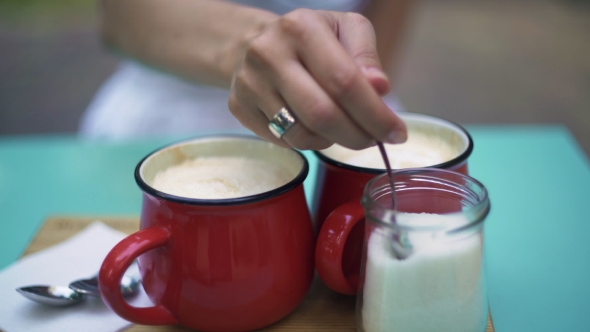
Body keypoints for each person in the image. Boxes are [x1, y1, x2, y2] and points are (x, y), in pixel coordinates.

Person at [79, 0, 413, 151]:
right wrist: (248, 44)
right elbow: (120, 16)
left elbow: (382, 36)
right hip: (165, 119)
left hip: (327, 123)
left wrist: (349, 88)